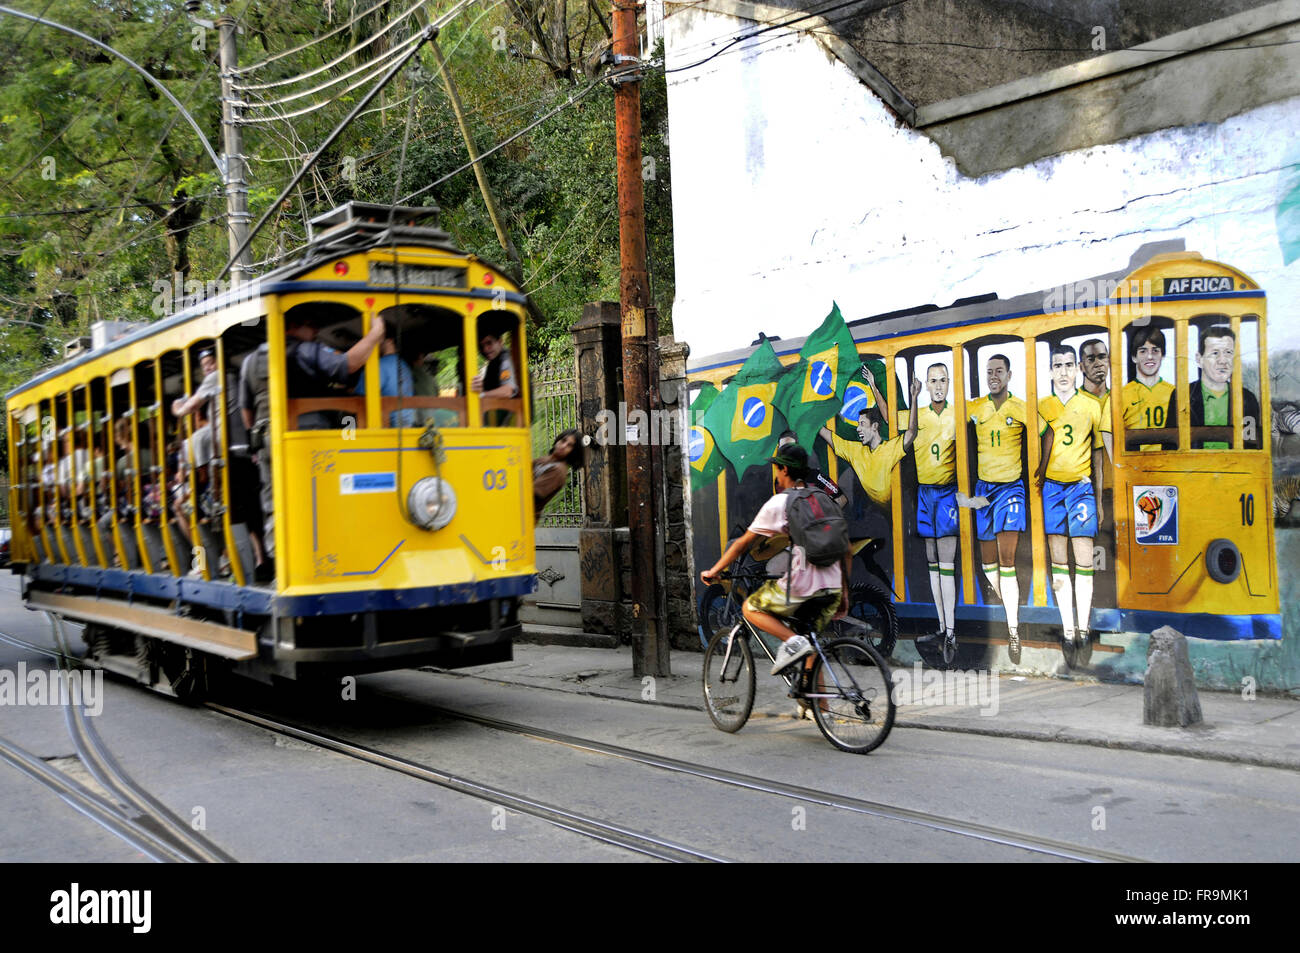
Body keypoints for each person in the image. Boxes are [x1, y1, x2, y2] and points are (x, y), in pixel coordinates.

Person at [700, 445, 850, 678]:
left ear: (784, 470)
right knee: (809, 647)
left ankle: (792, 642)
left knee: (750, 608)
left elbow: (743, 543)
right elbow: (846, 550)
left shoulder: (781, 502)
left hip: (803, 585)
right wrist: (844, 593)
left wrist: (714, 570)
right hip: (831, 588)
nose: (776, 474)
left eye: (777, 468)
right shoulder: (825, 499)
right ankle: (818, 709)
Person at [1034, 343, 1113, 652]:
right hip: (1053, 488)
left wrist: (1097, 498)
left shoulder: (1092, 406)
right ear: (1050, 371)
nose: (1064, 371)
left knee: (1083, 561)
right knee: (1059, 561)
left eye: (1069, 365)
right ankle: (1069, 632)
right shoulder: (1042, 407)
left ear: (1077, 369)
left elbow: (1097, 458)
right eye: (1058, 366)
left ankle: (1084, 628)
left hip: (1081, 489)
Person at [964, 354, 1028, 661]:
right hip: (983, 492)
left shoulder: (1021, 407)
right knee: (988, 561)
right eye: (989, 372)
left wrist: (1040, 469)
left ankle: (1013, 631)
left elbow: (1047, 432)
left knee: (1007, 560)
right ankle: (1007, 607)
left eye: (999, 371)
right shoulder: (976, 406)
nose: (994, 376)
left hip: (1011, 489)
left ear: (1009, 375)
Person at [902, 364, 959, 659]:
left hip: (947, 492)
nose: (938, 386)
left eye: (943, 380)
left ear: (949, 383)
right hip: (925, 494)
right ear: (926, 384)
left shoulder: (957, 413)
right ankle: (941, 627)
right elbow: (894, 423)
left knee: (946, 562)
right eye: (933, 381)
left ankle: (951, 633)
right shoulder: (919, 415)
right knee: (933, 562)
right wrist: (911, 397)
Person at [1189, 325, 1260, 450]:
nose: (1223, 360)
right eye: (1215, 353)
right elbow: (1170, 448)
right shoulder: (1184, 395)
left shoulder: (1247, 399)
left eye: (1228, 353)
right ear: (1199, 359)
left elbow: (1252, 447)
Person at [1122, 326, 1177, 451]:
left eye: (1155, 351)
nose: (1150, 357)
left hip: (1168, 462)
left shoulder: (1174, 392)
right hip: (1135, 462)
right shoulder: (1122, 394)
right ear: (1134, 357)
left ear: (1163, 355)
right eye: (1143, 351)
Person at [356, 323, 415, 427]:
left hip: (387, 426)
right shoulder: (405, 365)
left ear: (389, 341)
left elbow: (361, 399)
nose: (374, 344)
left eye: (377, 340)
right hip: (408, 424)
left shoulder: (377, 366)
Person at [779, 430, 846, 507]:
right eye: (784, 449)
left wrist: (824, 516)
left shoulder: (815, 477)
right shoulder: (779, 482)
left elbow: (841, 499)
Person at [533, 429, 584, 522]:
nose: (564, 446)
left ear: (573, 452)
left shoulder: (558, 470)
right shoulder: (543, 460)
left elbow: (533, 494)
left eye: (569, 445)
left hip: (523, 519)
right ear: (558, 440)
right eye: (563, 441)